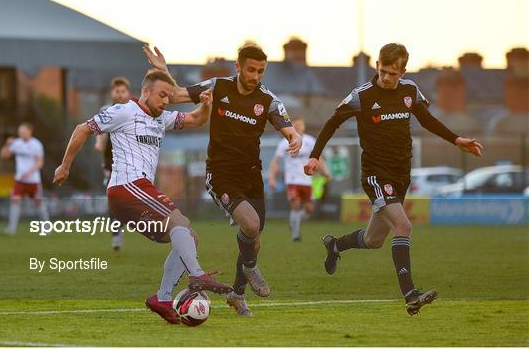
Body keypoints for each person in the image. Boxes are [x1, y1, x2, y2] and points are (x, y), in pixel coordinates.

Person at [304, 43, 483, 315]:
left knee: (374, 239)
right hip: (375, 174)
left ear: (403, 72)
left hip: (401, 174)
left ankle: (335, 244)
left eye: (392, 73)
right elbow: (332, 123)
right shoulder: (361, 95)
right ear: (376, 65)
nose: (385, 77)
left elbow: (427, 119)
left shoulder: (410, 91)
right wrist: (315, 156)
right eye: (382, 70)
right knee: (404, 225)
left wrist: (457, 140)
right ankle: (411, 294)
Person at [53, 71, 233, 324]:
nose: (166, 101)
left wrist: (207, 105)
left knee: (189, 237)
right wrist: (65, 166)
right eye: (162, 95)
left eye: (169, 97)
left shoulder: (161, 118)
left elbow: (195, 120)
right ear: (145, 92)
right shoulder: (124, 111)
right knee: (180, 224)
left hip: (139, 190)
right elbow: (82, 128)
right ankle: (198, 274)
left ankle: (162, 298)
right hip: (126, 187)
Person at [143, 43, 302, 316]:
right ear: (238, 66)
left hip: (251, 174)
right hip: (221, 174)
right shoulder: (218, 86)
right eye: (250, 69)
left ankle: (238, 295)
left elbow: (287, 127)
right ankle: (251, 268)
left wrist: (295, 137)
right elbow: (179, 94)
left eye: (260, 71)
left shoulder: (268, 100)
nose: (255, 76)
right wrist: (164, 71)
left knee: (254, 238)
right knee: (250, 226)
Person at [268, 117, 331, 241]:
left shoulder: (310, 141)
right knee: (295, 204)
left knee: (309, 210)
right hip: (292, 180)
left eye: (300, 125)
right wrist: (271, 178)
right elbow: (275, 161)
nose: (298, 127)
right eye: (296, 124)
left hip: (306, 180)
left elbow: (318, 158)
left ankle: (293, 221)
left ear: (304, 126)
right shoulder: (285, 142)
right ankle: (296, 235)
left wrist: (326, 172)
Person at [94, 76, 132, 251]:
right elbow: (101, 130)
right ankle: (116, 234)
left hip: (132, 161)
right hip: (111, 161)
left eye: (123, 91)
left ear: (128, 93)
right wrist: (99, 142)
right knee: (113, 198)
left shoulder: (134, 110)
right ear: (112, 93)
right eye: (117, 91)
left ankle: (129, 220)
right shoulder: (106, 110)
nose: (120, 94)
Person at [0, 123, 50, 235]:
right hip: (19, 180)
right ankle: (11, 228)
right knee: (15, 201)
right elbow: (4, 156)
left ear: (29, 131)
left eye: (23, 132)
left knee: (38, 203)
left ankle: (47, 227)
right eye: (19, 132)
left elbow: (40, 162)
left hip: (33, 180)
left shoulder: (36, 144)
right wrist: (7, 145)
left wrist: (29, 172)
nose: (21, 134)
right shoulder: (16, 143)